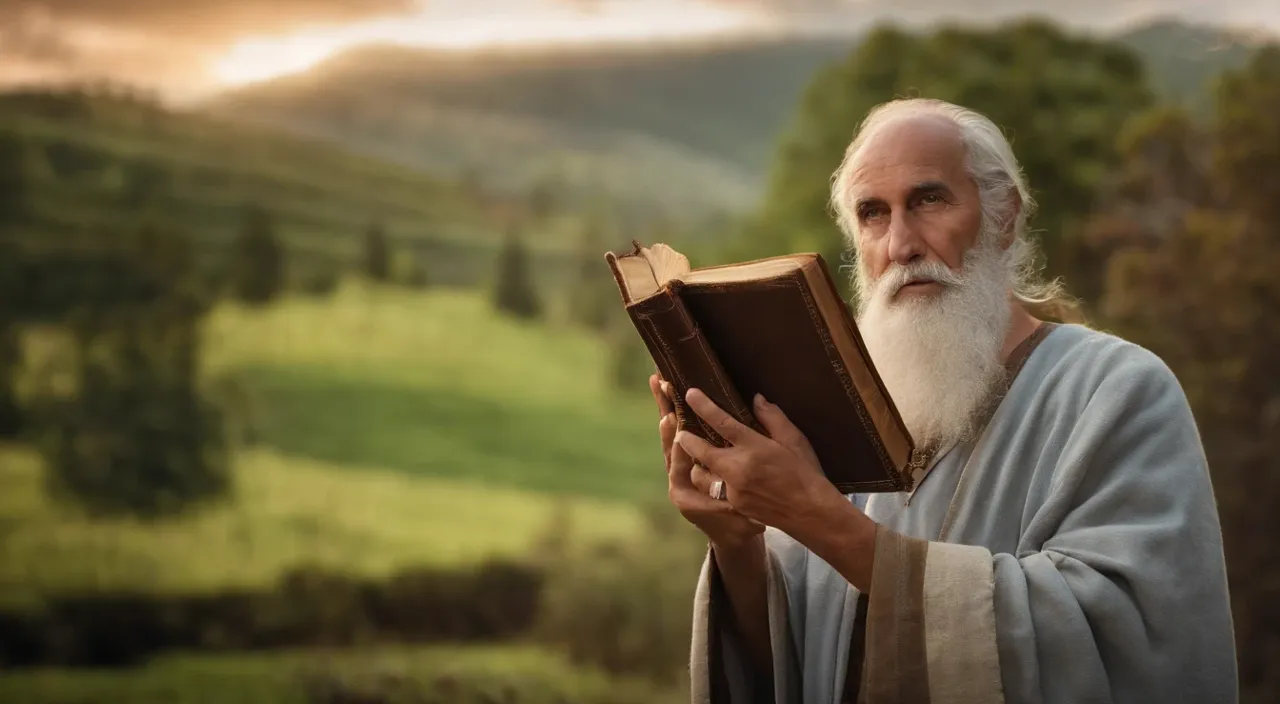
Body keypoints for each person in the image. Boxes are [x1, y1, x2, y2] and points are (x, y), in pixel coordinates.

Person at [647, 98, 1238, 704]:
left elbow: (1116, 643)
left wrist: (818, 520)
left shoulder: (1118, 391)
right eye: (873, 214)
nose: (902, 243)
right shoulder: (854, 416)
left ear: (1003, 216)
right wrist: (737, 545)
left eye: (929, 200)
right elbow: (800, 658)